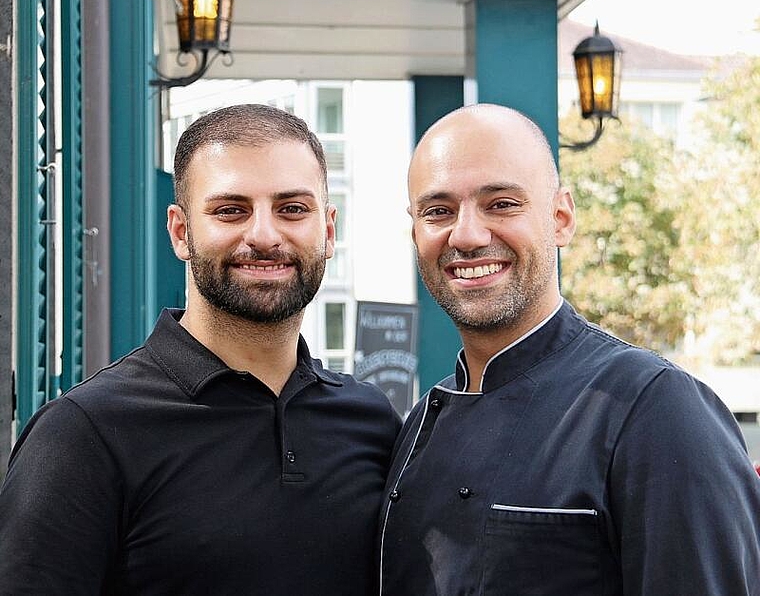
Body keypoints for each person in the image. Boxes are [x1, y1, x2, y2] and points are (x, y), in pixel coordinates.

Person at [0, 104, 400, 595]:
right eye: (231, 210)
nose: (264, 235)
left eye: (292, 209)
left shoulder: (371, 422)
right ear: (181, 232)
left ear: (329, 229)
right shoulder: (85, 433)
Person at [379, 103, 760, 595]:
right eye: (438, 212)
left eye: (501, 204)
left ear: (560, 219)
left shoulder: (656, 409)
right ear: (415, 233)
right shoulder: (416, 428)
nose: (467, 235)